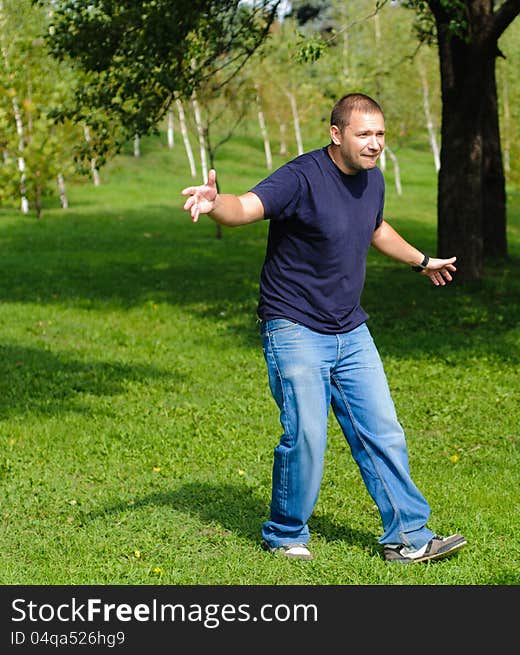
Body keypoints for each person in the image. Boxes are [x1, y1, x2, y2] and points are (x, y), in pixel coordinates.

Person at [180, 93, 466, 564]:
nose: (374, 145)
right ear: (336, 134)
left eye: (380, 135)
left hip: (350, 329)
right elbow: (247, 208)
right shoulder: (301, 176)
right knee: (307, 435)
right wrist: (215, 204)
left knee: (383, 431)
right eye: (364, 135)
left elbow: (375, 228)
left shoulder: (371, 180)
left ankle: (409, 536)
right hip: (293, 325)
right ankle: (285, 533)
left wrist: (421, 261)